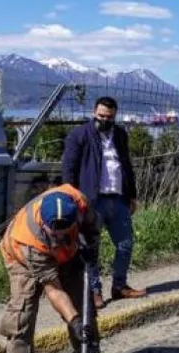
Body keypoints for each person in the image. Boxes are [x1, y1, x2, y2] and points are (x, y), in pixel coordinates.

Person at [0, 184, 98, 353]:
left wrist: (91, 250)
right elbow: (54, 290)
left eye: (67, 231)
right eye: (56, 234)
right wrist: (73, 320)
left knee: (85, 309)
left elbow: (92, 232)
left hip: (69, 257)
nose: (60, 237)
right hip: (24, 260)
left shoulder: (80, 204)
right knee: (21, 318)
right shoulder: (28, 239)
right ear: (44, 224)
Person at [61, 95, 145, 304]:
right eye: (101, 116)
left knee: (125, 244)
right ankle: (94, 291)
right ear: (93, 112)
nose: (104, 120)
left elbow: (126, 166)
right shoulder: (79, 135)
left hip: (118, 199)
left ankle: (119, 286)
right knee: (90, 249)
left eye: (109, 117)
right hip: (91, 200)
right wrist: (71, 195)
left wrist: (132, 195)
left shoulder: (120, 135)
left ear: (114, 116)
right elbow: (69, 168)